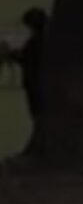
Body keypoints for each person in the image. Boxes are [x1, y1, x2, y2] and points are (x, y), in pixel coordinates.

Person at [15, 8, 48, 147]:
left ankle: (42, 142)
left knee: (38, 114)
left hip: (34, 83)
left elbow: (26, 59)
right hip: (44, 82)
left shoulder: (34, 43)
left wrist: (11, 54)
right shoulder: (46, 40)